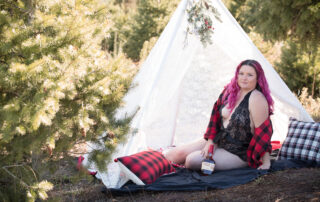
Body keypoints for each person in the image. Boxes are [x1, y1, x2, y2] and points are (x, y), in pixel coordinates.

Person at [164, 59, 274, 170]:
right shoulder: (230, 91)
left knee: (192, 161)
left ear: (257, 78)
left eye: (250, 75)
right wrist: (210, 142)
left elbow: (264, 133)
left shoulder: (257, 98)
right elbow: (214, 119)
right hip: (218, 139)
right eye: (241, 74)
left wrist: (266, 163)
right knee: (173, 155)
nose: (244, 78)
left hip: (239, 151)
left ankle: (200, 165)